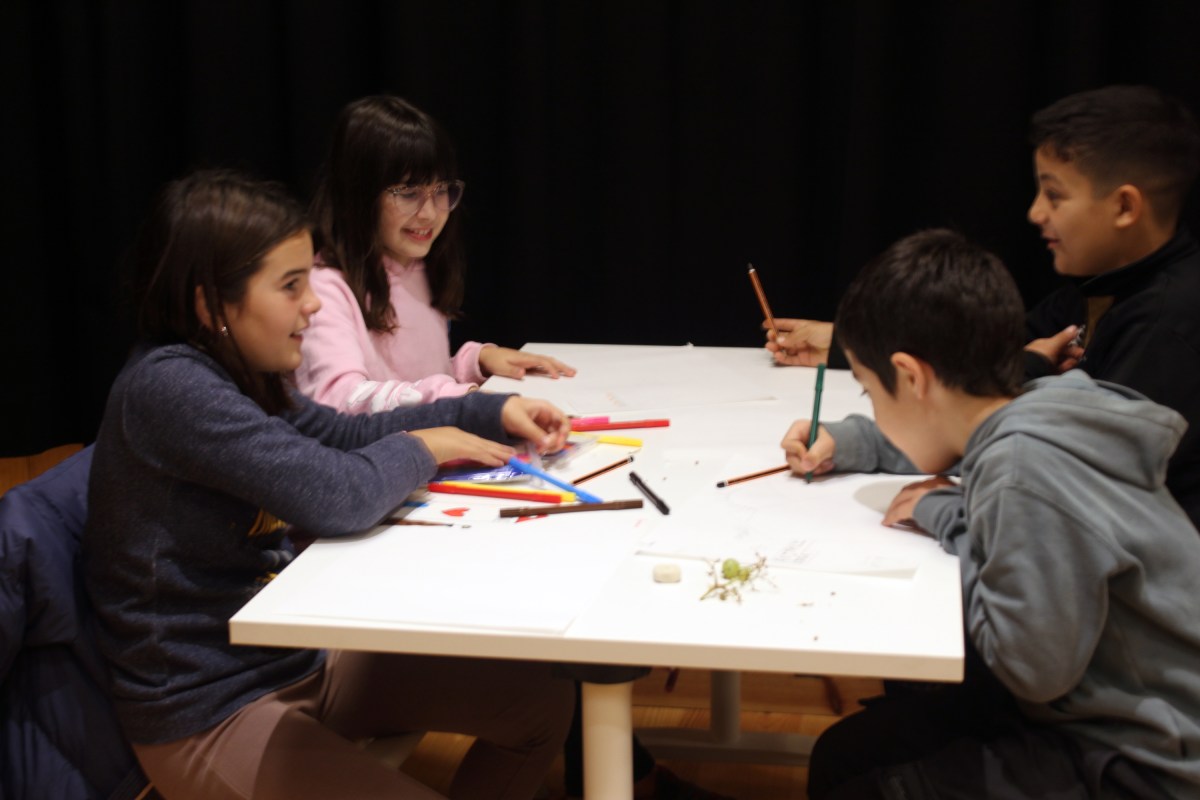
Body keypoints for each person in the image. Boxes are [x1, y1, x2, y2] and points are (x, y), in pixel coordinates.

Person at [83, 169, 577, 800]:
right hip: (208, 709)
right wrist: (426, 446)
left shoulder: (239, 368)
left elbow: (341, 433)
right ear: (212, 306)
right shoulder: (172, 387)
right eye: (291, 286)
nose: (313, 304)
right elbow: (337, 496)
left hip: (293, 657)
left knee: (541, 704)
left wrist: (485, 410)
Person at [781, 228, 1200, 799]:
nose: (874, 410)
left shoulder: (1023, 468)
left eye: (870, 394)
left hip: (1148, 763)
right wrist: (854, 442)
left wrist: (951, 517)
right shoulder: (1043, 408)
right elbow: (947, 437)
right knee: (843, 755)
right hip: (1105, 711)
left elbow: (1029, 668)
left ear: (911, 376)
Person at [768, 84, 1200, 529]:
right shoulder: (1095, 289)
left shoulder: (1169, 327)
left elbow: (1068, 492)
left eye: (1054, 195)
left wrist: (948, 509)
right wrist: (859, 435)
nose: (1035, 213)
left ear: (1124, 206)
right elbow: (973, 393)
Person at [293, 95, 575, 413]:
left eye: (441, 190)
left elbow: (413, 380)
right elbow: (341, 399)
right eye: (409, 193)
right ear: (357, 195)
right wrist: (464, 402)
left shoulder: (418, 267)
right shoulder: (324, 290)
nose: (429, 213)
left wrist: (474, 361)